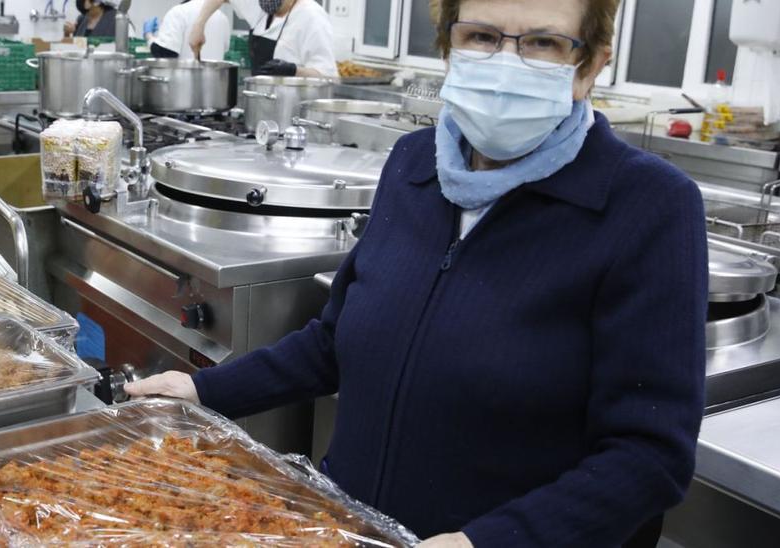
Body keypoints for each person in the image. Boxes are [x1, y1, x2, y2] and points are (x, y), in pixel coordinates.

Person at [126, 0, 707, 547]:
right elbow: (336, 341)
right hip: (349, 524)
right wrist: (204, 389)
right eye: (481, 36)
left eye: (542, 43)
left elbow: (648, 456)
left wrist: (487, 542)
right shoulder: (414, 165)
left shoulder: (646, 207)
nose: (506, 63)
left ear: (590, 65)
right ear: (448, 49)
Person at [184, 0, 335, 77]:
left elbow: (328, 77)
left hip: (292, 115)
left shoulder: (312, 16)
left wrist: (293, 70)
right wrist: (199, 25)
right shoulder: (262, 8)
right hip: (261, 108)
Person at [151, 0, 231, 60]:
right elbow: (225, 49)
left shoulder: (178, 12)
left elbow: (164, 53)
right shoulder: (223, 18)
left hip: (184, 80)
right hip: (215, 80)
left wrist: (149, 36)